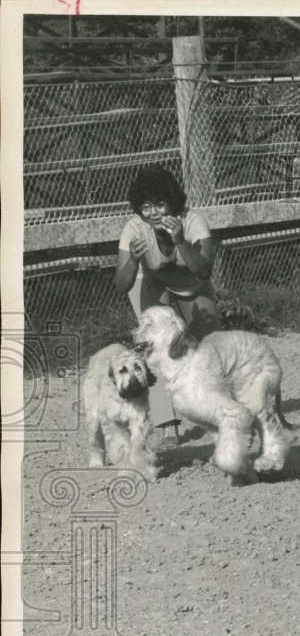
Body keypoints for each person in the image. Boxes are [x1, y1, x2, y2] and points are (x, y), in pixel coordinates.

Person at [115, 164, 220, 444]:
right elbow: (121, 284)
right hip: (150, 281)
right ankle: (168, 423)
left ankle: (212, 410)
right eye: (146, 206)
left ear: (173, 202)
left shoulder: (193, 220)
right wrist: (134, 260)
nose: (154, 213)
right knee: (155, 348)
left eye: (160, 204)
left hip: (192, 284)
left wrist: (181, 241)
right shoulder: (135, 228)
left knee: (209, 344)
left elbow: (203, 270)